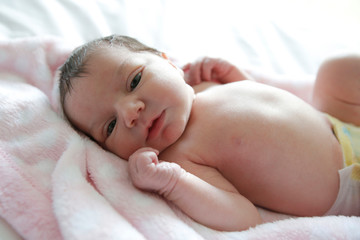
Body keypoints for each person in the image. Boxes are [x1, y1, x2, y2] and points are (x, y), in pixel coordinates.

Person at [59, 35, 360, 231]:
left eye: (135, 80)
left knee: (335, 72)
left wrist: (238, 77)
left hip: (336, 122)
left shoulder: (202, 88)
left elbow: (270, 111)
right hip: (346, 181)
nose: (128, 113)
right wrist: (174, 183)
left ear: (169, 63)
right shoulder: (181, 159)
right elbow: (243, 216)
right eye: (110, 126)